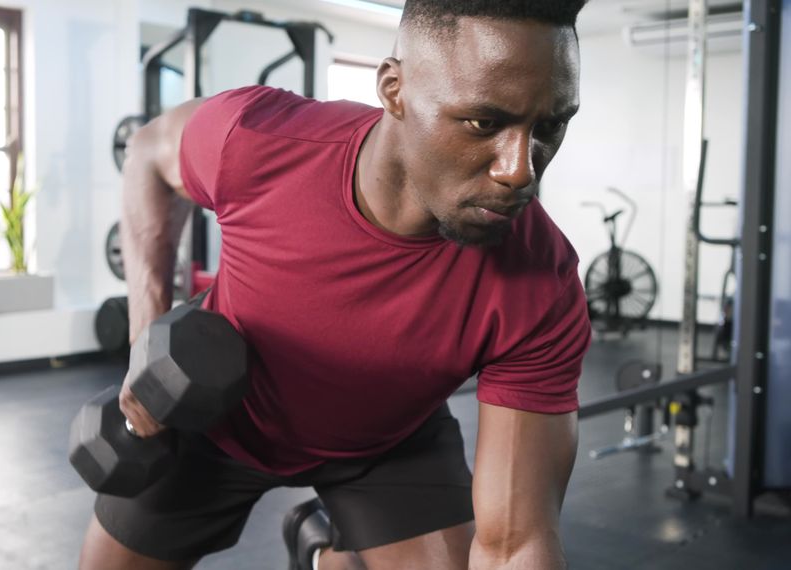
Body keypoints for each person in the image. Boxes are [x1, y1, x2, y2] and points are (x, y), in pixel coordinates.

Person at [79, 1, 592, 568]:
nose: (519, 170)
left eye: (549, 126)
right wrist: (144, 341)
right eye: (484, 122)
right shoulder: (259, 142)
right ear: (394, 89)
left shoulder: (542, 284)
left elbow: (515, 546)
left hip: (387, 444)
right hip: (210, 420)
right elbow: (148, 152)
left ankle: (328, 553)